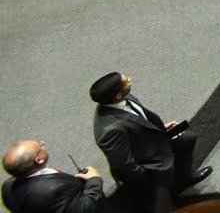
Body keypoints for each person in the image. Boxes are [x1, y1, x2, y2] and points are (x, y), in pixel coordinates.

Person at [88, 73, 208, 213]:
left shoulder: (124, 97)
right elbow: (124, 166)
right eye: (125, 81)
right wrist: (148, 177)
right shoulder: (110, 131)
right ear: (118, 96)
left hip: (154, 143)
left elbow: (140, 118)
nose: (129, 78)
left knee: (188, 139)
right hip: (149, 167)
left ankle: (183, 181)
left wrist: (160, 129)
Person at [1, 140, 104, 213]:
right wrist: (94, 180)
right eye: (41, 146)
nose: (43, 146)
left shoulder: (6, 186)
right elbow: (85, 209)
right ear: (39, 159)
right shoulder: (56, 189)